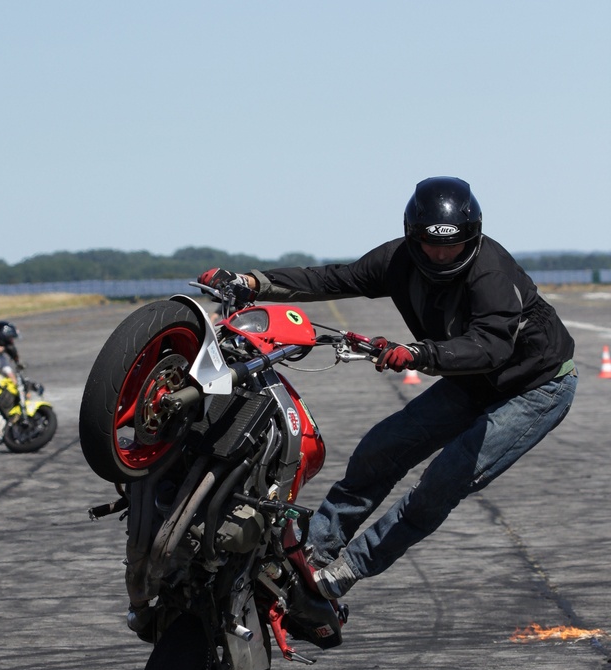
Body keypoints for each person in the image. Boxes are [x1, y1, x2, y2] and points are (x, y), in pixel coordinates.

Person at [199, 176, 577, 602]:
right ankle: (315, 546)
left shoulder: (490, 272)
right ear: (412, 235)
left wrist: (417, 354)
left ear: (472, 236)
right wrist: (254, 283)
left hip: (535, 388)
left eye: (451, 246)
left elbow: (489, 347)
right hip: (471, 384)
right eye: (431, 245)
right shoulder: (399, 260)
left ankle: (349, 567)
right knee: (380, 449)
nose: (440, 255)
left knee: (443, 480)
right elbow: (333, 278)